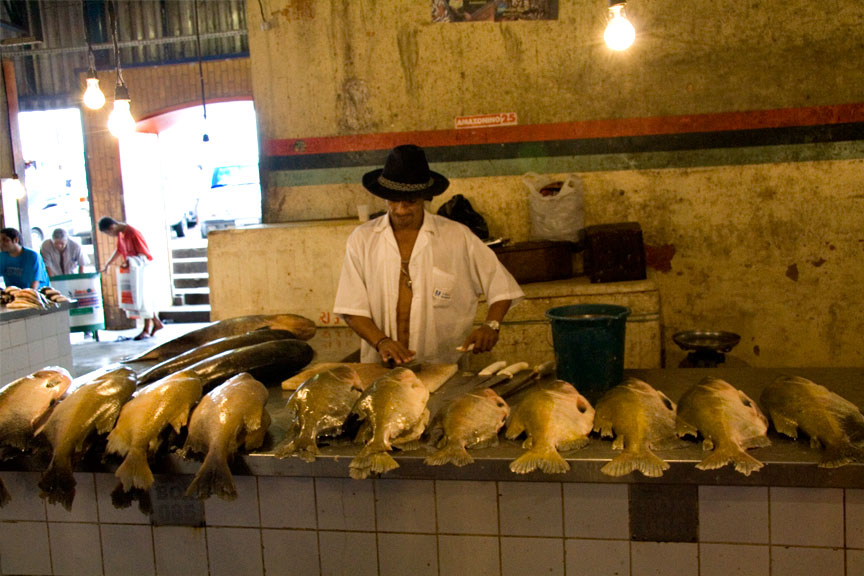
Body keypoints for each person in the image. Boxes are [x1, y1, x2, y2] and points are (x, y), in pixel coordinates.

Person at [333, 144, 524, 366]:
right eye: (393, 200)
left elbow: (502, 287)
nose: (401, 209)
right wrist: (382, 342)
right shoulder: (362, 239)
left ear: (424, 197)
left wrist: (490, 325)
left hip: (443, 366)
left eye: (410, 201)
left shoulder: (457, 236)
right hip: (381, 367)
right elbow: (350, 308)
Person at [98, 217, 164, 340]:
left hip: (141, 269)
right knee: (140, 300)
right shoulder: (122, 234)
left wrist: (130, 262)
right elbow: (119, 250)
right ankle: (155, 323)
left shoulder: (133, 232)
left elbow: (144, 254)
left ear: (112, 227)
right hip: (133, 269)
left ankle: (147, 328)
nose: (110, 235)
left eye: (108, 233)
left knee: (144, 299)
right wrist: (108, 264)